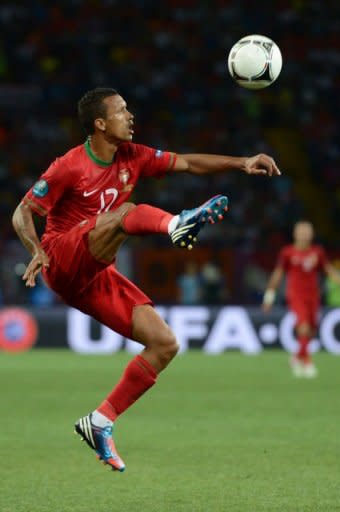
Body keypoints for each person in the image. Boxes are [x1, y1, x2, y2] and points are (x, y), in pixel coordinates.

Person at [12, 87, 280, 472]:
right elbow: (22, 213)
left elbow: (187, 164)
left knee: (165, 344)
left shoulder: (133, 157)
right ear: (100, 124)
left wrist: (242, 163)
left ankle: (100, 421)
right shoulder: (69, 165)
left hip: (96, 272)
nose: (130, 115)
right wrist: (35, 249)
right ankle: (176, 223)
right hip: (61, 258)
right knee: (125, 213)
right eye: (121, 111)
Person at [262, 221, 340, 378]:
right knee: (304, 327)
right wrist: (268, 298)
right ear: (295, 234)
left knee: (311, 331)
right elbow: (277, 275)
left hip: (313, 296)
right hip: (295, 295)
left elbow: (329, 271)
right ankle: (307, 362)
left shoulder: (317, 252)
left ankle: (297, 356)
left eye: (308, 232)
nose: (305, 235)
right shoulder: (288, 253)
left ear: (312, 234)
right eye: (302, 232)